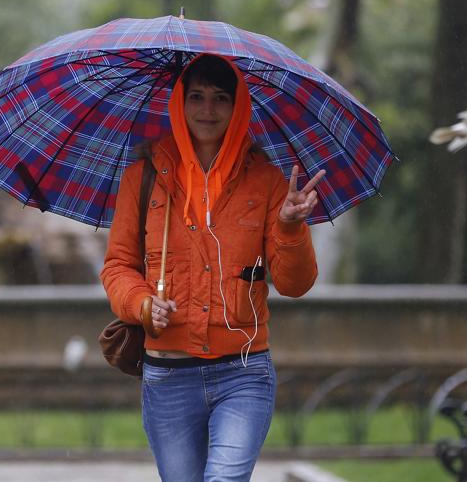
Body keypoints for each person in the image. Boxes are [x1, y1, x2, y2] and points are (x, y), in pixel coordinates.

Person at [100, 54, 322, 482]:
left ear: (238, 107)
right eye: (196, 97)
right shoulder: (143, 177)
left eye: (221, 98)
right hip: (168, 376)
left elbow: (296, 284)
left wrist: (291, 228)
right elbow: (118, 266)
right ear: (178, 104)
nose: (207, 110)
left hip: (244, 372)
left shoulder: (270, 182)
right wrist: (143, 304)